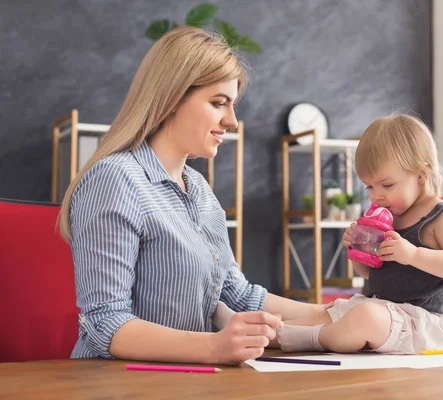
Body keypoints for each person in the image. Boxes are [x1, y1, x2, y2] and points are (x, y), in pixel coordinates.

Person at [58, 26, 324, 365]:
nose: (232, 121)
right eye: (218, 103)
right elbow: (105, 323)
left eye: (232, 105)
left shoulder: (198, 189)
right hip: (116, 382)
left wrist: (332, 312)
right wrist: (214, 347)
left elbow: (236, 295)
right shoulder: (114, 180)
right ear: (171, 99)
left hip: (185, 379)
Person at [269, 114, 443, 354]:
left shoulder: (441, 216)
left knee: (363, 316)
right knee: (332, 312)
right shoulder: (388, 217)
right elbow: (370, 273)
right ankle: (256, 333)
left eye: (387, 185)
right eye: (369, 186)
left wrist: (412, 254)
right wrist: (358, 254)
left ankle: (310, 338)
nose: (376, 195)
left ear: (421, 174)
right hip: (381, 309)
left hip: (420, 323)